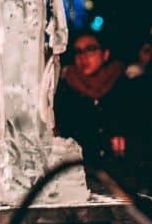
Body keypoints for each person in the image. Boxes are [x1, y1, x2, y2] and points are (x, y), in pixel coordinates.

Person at [54, 31, 133, 189]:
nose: (83, 57)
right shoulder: (65, 90)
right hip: (81, 179)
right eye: (78, 51)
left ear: (105, 54)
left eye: (90, 49)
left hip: (123, 179)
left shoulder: (124, 86)